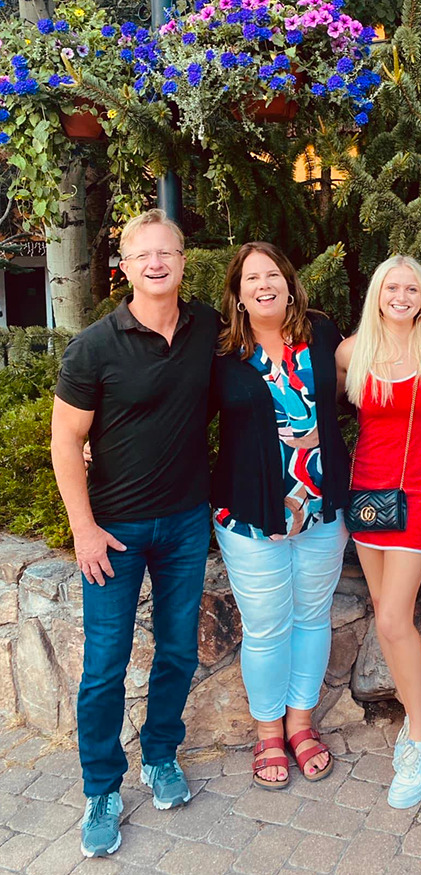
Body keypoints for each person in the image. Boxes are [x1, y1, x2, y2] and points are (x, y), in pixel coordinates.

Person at [51, 210, 219, 857]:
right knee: (104, 667)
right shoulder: (94, 345)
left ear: (182, 259)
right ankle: (101, 787)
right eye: (143, 254)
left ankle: (160, 755)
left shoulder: (206, 327)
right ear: (123, 264)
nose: (157, 263)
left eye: (167, 252)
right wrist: (83, 528)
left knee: (178, 651)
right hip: (112, 533)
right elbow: (66, 441)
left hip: (183, 522)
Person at [211, 242, 349, 790]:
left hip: (322, 508)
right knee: (267, 629)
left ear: (290, 283)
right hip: (249, 513)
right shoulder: (219, 352)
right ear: (238, 295)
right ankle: (268, 732)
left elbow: (349, 389)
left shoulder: (322, 334)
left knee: (313, 618)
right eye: (252, 279)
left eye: (273, 274)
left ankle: (301, 724)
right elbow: (178, 411)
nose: (264, 284)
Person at [336, 254, 421, 808]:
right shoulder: (351, 353)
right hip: (367, 497)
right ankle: (417, 718)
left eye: (411, 288)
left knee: (392, 617)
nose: (400, 296)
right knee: (386, 617)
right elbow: (308, 412)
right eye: (391, 287)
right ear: (377, 293)